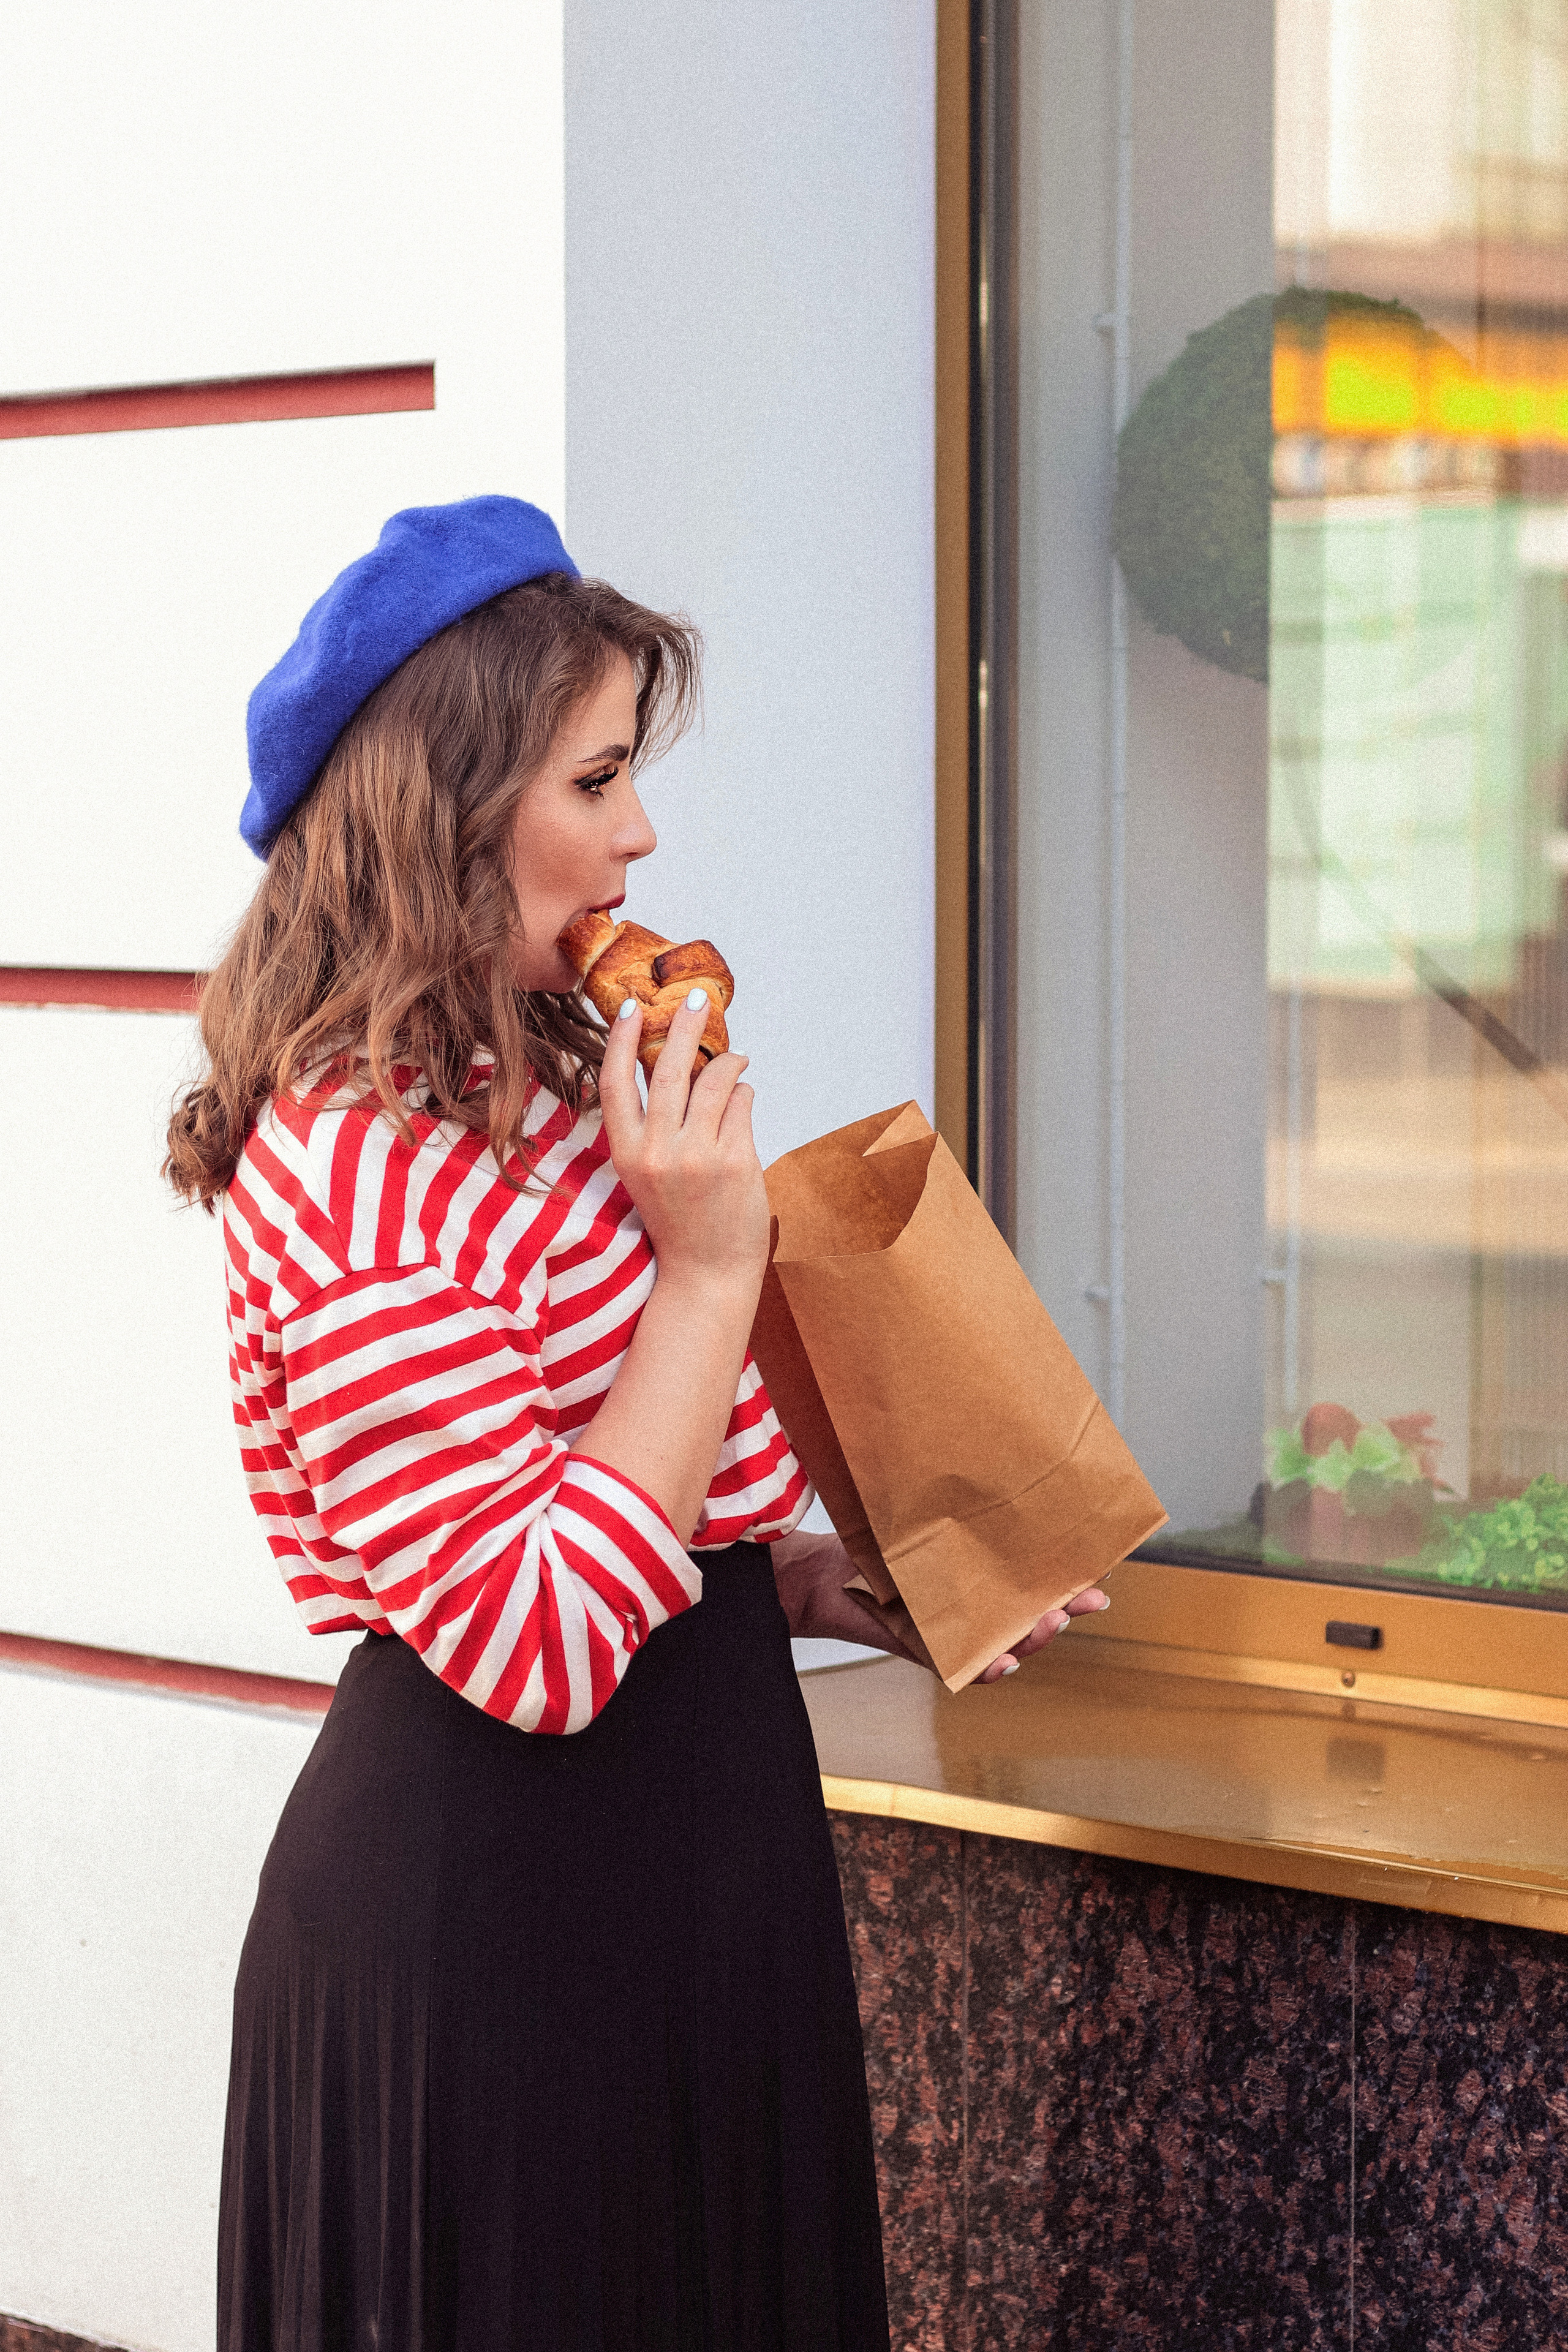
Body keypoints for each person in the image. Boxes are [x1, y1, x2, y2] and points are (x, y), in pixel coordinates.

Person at [165, 497, 1106, 2351]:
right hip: (499, 1936)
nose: (644, 830)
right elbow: (533, 1644)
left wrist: (830, 1578)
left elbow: (623, 1500)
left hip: (698, 1872)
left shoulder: (548, 1077)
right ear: (446, 806)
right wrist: (701, 1273)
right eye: (598, 779)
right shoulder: (351, 1170)